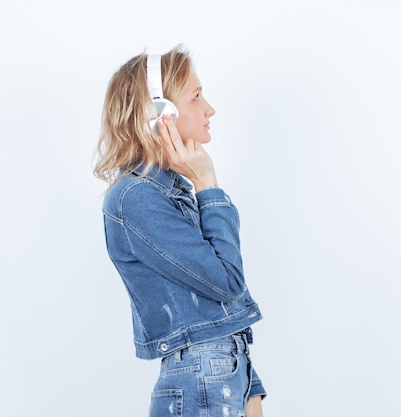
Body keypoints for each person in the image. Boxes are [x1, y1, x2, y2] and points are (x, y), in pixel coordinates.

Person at [94, 44, 266, 417]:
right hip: (204, 379)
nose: (210, 109)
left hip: (223, 373)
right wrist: (208, 182)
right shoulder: (135, 199)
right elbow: (227, 281)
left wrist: (252, 388)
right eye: (197, 96)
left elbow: (219, 311)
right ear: (162, 114)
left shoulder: (169, 191)